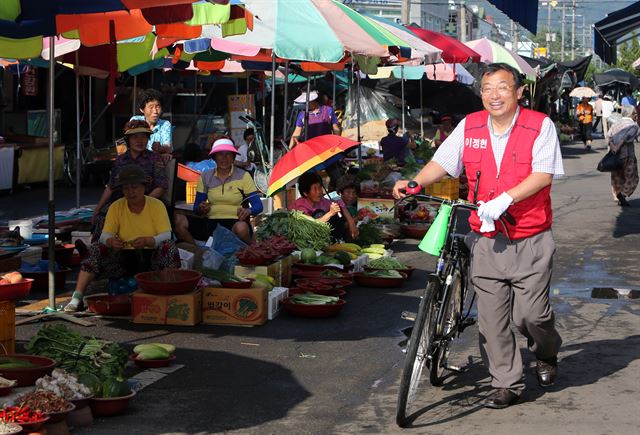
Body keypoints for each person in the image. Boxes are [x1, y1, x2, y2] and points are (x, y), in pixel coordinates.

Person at [393, 62, 563, 409]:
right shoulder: (469, 126)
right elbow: (444, 161)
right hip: (485, 236)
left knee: (530, 316)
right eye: (487, 88)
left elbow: (544, 174)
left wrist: (506, 198)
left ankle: (546, 351)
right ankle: (507, 383)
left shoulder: (539, 126)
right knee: (491, 317)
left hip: (529, 235)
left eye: (502, 87)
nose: (494, 95)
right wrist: (415, 182)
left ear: (518, 93)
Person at [64, 165, 180, 312]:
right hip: (123, 257)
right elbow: (105, 235)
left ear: (144, 187)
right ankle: (77, 297)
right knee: (96, 249)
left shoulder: (157, 205)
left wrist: (148, 240)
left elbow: (166, 235)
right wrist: (111, 241)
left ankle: (168, 293)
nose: (131, 192)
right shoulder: (116, 206)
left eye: (135, 187)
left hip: (151, 256)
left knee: (169, 247)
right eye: (126, 189)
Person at [174, 138, 263, 245]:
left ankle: (251, 247)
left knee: (242, 228)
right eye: (220, 154)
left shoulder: (243, 176)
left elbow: (258, 205)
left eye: (228, 154)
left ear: (233, 157)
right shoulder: (206, 176)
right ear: (214, 157)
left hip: (235, 222)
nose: (224, 158)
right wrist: (201, 208)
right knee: (179, 220)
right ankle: (200, 252)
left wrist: (248, 211)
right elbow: (196, 207)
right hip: (210, 222)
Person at [90, 120, 168, 243]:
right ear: (128, 140)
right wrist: (97, 209)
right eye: (135, 137)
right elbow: (111, 186)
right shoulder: (120, 160)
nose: (140, 140)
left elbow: (161, 186)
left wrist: (143, 201)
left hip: (148, 201)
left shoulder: (154, 158)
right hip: (120, 203)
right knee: (102, 220)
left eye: (143, 137)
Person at [289, 90, 342, 191]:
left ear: (314, 101)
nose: (306, 105)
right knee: (311, 178)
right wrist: (289, 148)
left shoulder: (328, 110)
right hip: (311, 151)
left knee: (336, 176)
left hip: (327, 149)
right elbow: (296, 133)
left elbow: (336, 128)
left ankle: (336, 194)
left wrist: (337, 143)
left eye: (308, 102)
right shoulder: (302, 114)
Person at [292, 172, 358, 241]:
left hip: (324, 238)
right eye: (315, 189)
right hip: (308, 240)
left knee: (338, 210)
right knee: (319, 213)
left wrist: (351, 223)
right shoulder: (300, 206)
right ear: (305, 193)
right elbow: (311, 225)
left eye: (320, 188)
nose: (319, 192)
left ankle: (337, 240)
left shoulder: (322, 201)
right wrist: (330, 213)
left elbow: (340, 203)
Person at [607, 106, 639, 207]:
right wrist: (618, 146)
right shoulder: (633, 125)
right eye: (635, 114)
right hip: (627, 155)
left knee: (617, 177)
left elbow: (609, 136)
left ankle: (617, 195)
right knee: (632, 177)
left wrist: (613, 146)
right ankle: (623, 194)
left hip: (615, 156)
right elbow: (627, 137)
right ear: (632, 114)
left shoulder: (616, 123)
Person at [130, 88, 173, 159]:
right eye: (151, 107)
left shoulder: (165, 124)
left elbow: (168, 147)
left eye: (158, 107)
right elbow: (131, 145)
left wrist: (160, 148)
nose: (155, 111)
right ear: (142, 109)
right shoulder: (135, 120)